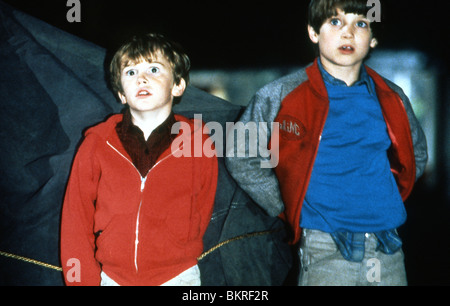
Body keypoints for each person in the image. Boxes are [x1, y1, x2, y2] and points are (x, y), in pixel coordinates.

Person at [225, 0, 428, 286]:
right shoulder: (281, 94)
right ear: (313, 32)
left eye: (360, 23)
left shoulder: (392, 96)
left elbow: (414, 154)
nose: (348, 33)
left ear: (373, 38)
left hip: (387, 246)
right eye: (335, 22)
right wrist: (286, 202)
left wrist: (382, 197)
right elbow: (240, 153)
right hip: (325, 246)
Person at [60, 33, 218, 286]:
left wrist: (178, 247)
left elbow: (202, 209)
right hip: (112, 278)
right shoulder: (97, 144)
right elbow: (75, 220)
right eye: (130, 72)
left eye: (154, 69)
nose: (141, 78)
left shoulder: (198, 144)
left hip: (178, 277)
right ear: (121, 93)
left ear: (178, 85)